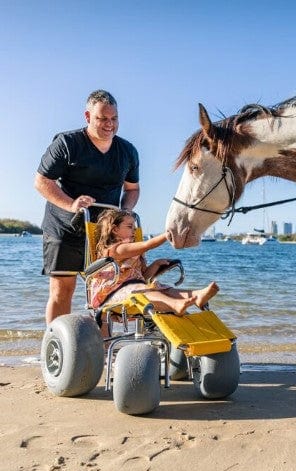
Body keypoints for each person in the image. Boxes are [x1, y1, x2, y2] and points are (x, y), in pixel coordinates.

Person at [34, 90, 140, 325]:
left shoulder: (128, 151)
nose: (109, 124)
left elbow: (132, 189)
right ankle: (57, 347)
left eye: (114, 119)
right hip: (64, 227)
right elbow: (42, 182)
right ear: (88, 116)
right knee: (63, 290)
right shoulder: (67, 143)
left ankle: (100, 351)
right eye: (103, 118)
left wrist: (126, 210)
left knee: (105, 290)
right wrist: (71, 204)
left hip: (103, 232)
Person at [89, 209, 219, 320]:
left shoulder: (134, 253)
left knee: (162, 288)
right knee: (144, 291)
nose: (134, 230)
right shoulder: (116, 249)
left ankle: (196, 296)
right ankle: (175, 304)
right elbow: (147, 245)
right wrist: (168, 234)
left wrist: (155, 265)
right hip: (111, 294)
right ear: (115, 229)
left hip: (133, 288)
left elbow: (144, 277)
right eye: (129, 227)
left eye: (134, 227)